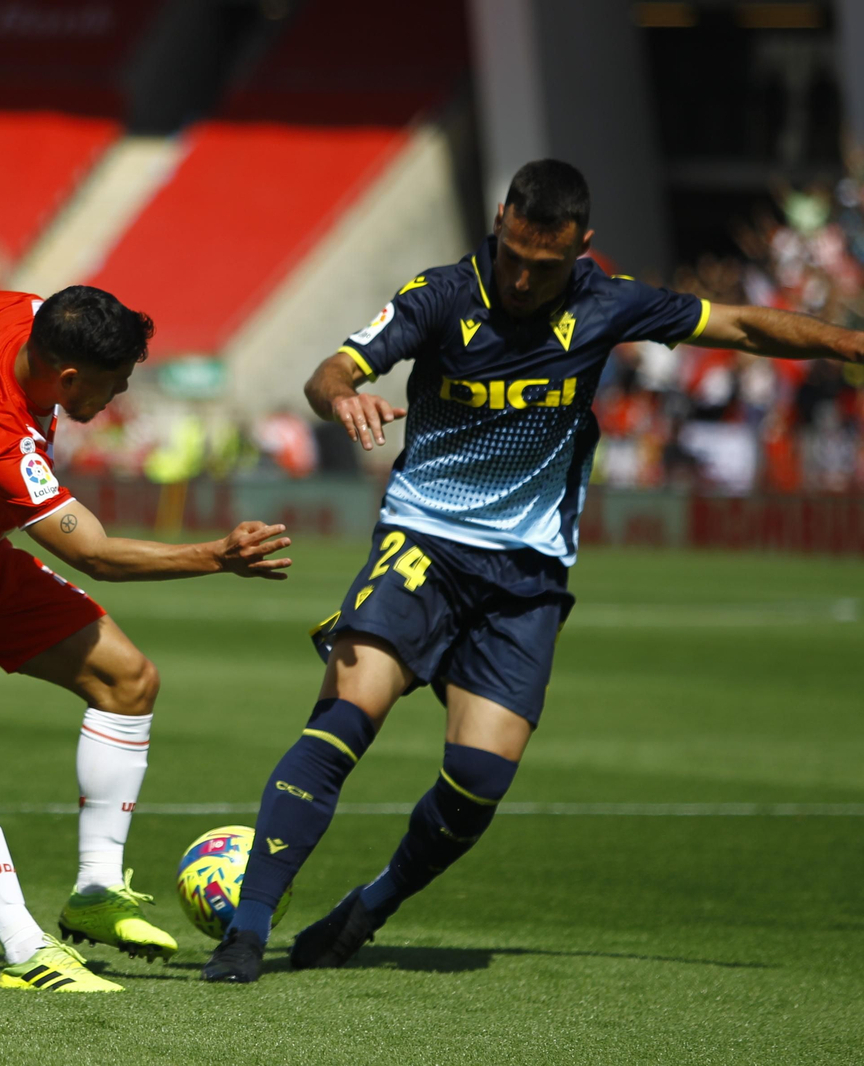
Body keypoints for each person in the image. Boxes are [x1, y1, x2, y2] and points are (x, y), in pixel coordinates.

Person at [202, 159, 864, 982]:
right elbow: (330, 369)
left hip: (525, 576)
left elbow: (742, 327)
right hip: (423, 543)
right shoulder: (441, 294)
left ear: (580, 249)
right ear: (501, 220)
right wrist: (343, 396)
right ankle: (248, 930)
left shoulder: (609, 302)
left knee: (477, 783)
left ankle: (369, 906)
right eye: (510, 252)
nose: (519, 277)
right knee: (346, 715)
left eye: (541, 265)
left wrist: (850, 344)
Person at [0, 285, 291, 992]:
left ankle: (95, 892)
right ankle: (26, 953)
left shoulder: (8, 309)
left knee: (127, 680)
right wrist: (216, 558)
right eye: (116, 384)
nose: (121, 394)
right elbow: (96, 555)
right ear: (69, 377)